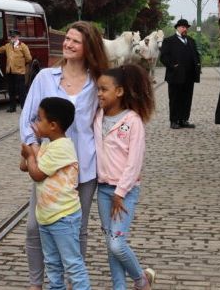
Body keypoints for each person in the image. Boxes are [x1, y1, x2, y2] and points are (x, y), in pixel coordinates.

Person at [19, 20, 109, 290]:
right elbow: (27, 121)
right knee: (35, 227)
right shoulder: (45, 77)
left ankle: (73, 285)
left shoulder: (98, 83)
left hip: (84, 167)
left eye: (75, 41)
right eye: (67, 39)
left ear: (88, 47)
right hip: (47, 168)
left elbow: (109, 121)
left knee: (76, 229)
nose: (68, 44)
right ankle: (36, 285)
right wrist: (37, 155)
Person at [94, 64, 156, 290]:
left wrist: (120, 192)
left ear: (119, 92)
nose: (99, 94)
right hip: (103, 190)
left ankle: (141, 280)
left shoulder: (133, 121)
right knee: (110, 244)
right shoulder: (98, 116)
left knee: (117, 245)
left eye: (104, 89)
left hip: (125, 192)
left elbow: (134, 162)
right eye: (98, 89)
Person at [20, 97, 91, 290]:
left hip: (63, 217)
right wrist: (27, 152)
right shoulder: (47, 144)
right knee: (52, 264)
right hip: (47, 216)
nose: (35, 123)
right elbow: (25, 167)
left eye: (39, 119)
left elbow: (36, 174)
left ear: (52, 125)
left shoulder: (62, 147)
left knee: (73, 265)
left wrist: (29, 155)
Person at [158, 19, 201, 129]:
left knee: (187, 98)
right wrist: (173, 65)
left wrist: (197, 65)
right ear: (177, 28)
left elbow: (196, 54)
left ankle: (184, 120)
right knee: (175, 99)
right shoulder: (169, 41)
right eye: (182, 27)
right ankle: (174, 121)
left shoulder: (191, 40)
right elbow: (163, 57)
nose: (185, 29)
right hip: (175, 75)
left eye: (186, 27)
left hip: (189, 76)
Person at [0, 28, 32, 112]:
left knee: (21, 90)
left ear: (18, 37)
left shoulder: (23, 46)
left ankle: (24, 107)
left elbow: (29, 58)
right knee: (11, 90)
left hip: (19, 71)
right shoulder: (7, 46)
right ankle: (12, 107)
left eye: (14, 36)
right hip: (10, 71)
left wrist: (21, 64)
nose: (12, 38)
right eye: (11, 37)